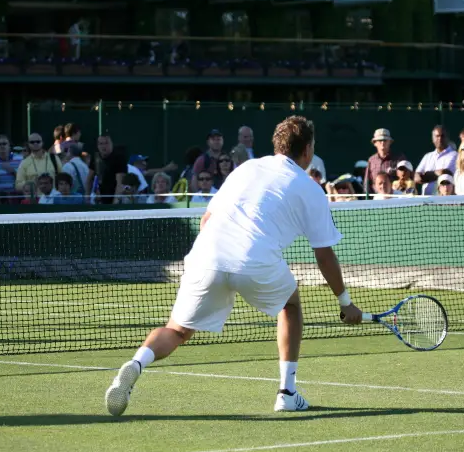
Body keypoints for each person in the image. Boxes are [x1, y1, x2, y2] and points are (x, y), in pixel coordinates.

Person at [104, 116, 363, 415]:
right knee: (289, 305)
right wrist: (345, 302)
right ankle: (287, 392)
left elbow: (206, 220)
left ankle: (137, 362)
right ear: (307, 150)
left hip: (206, 253)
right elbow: (324, 255)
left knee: (176, 330)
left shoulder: (247, 168)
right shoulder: (310, 188)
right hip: (254, 258)